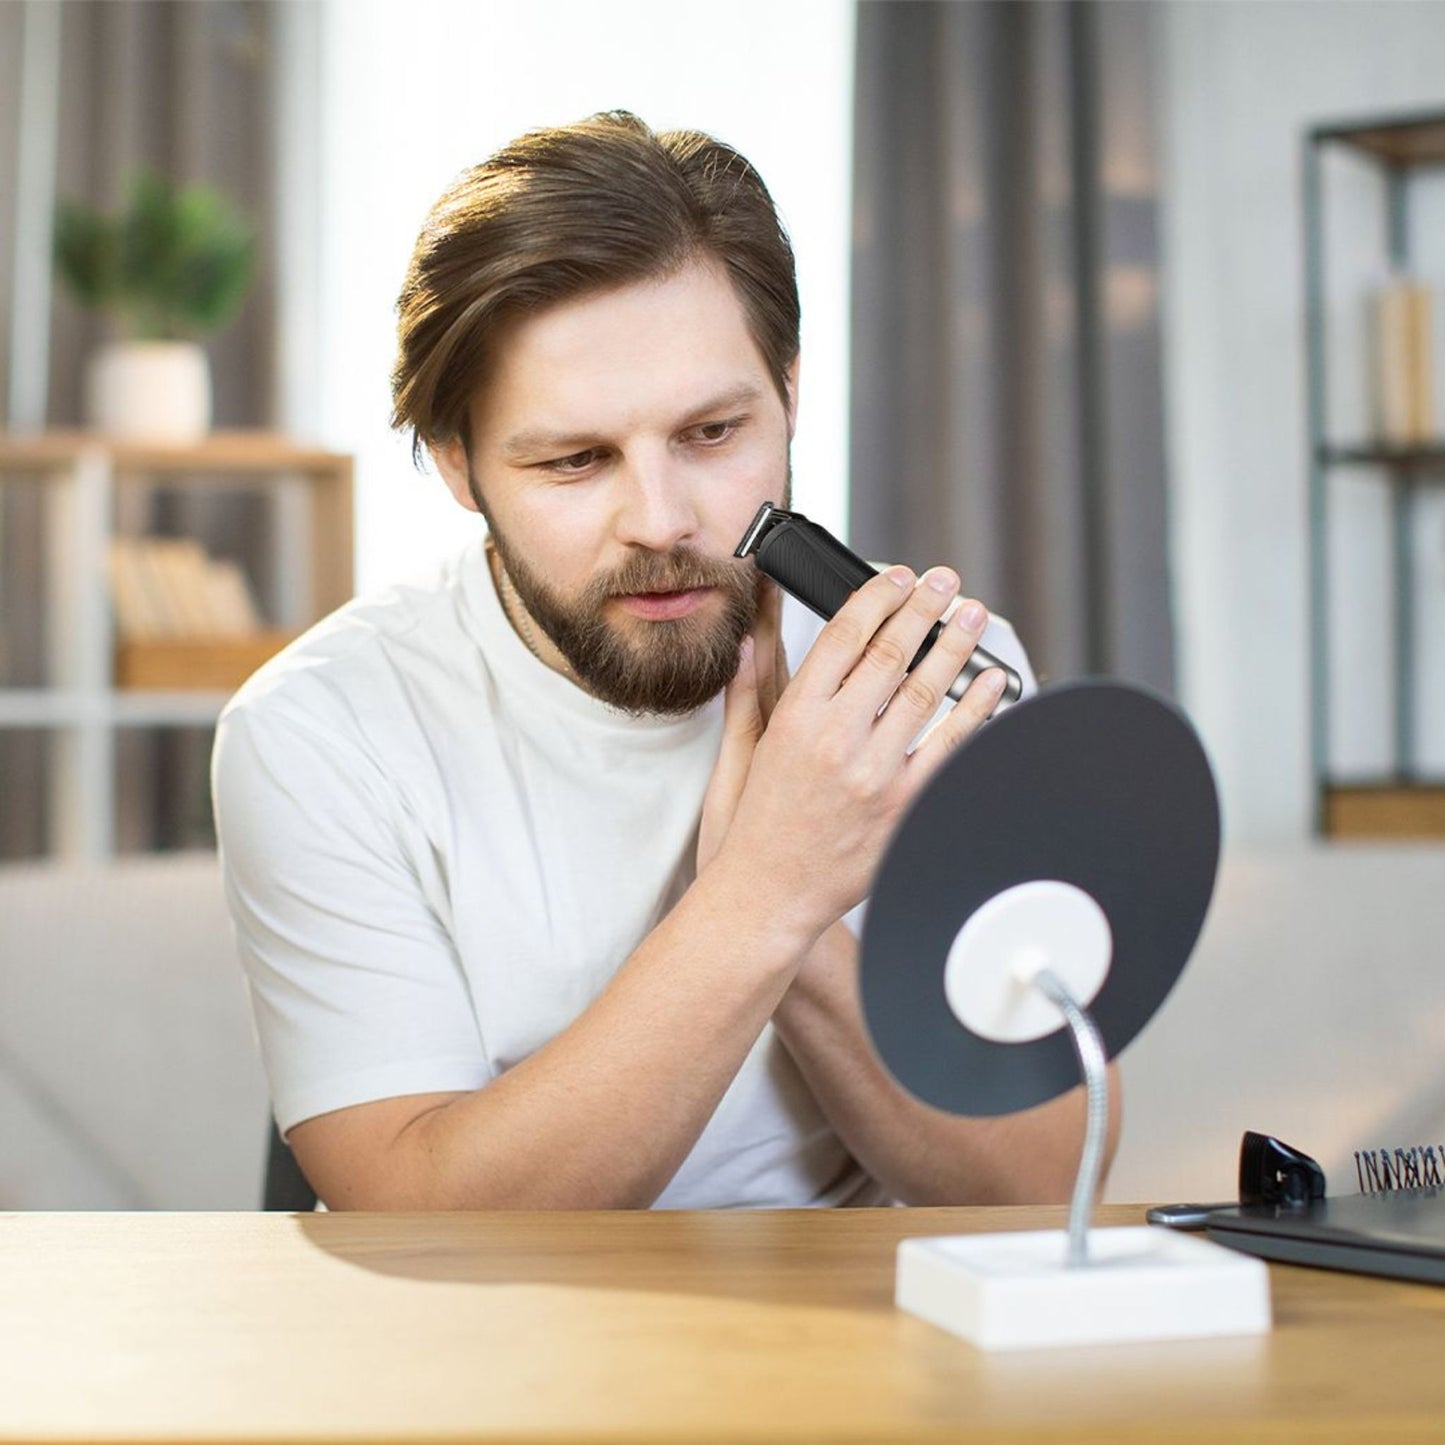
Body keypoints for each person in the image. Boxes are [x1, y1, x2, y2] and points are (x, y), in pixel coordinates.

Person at [212, 110, 1118, 1211]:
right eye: (574, 459)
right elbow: (422, 1220)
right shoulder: (321, 730)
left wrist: (804, 928)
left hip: (861, 1353)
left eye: (711, 434)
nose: (661, 519)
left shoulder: (926, 675)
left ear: (788, 392)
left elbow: (1037, 1181)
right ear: (456, 465)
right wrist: (758, 896)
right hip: (514, 1364)